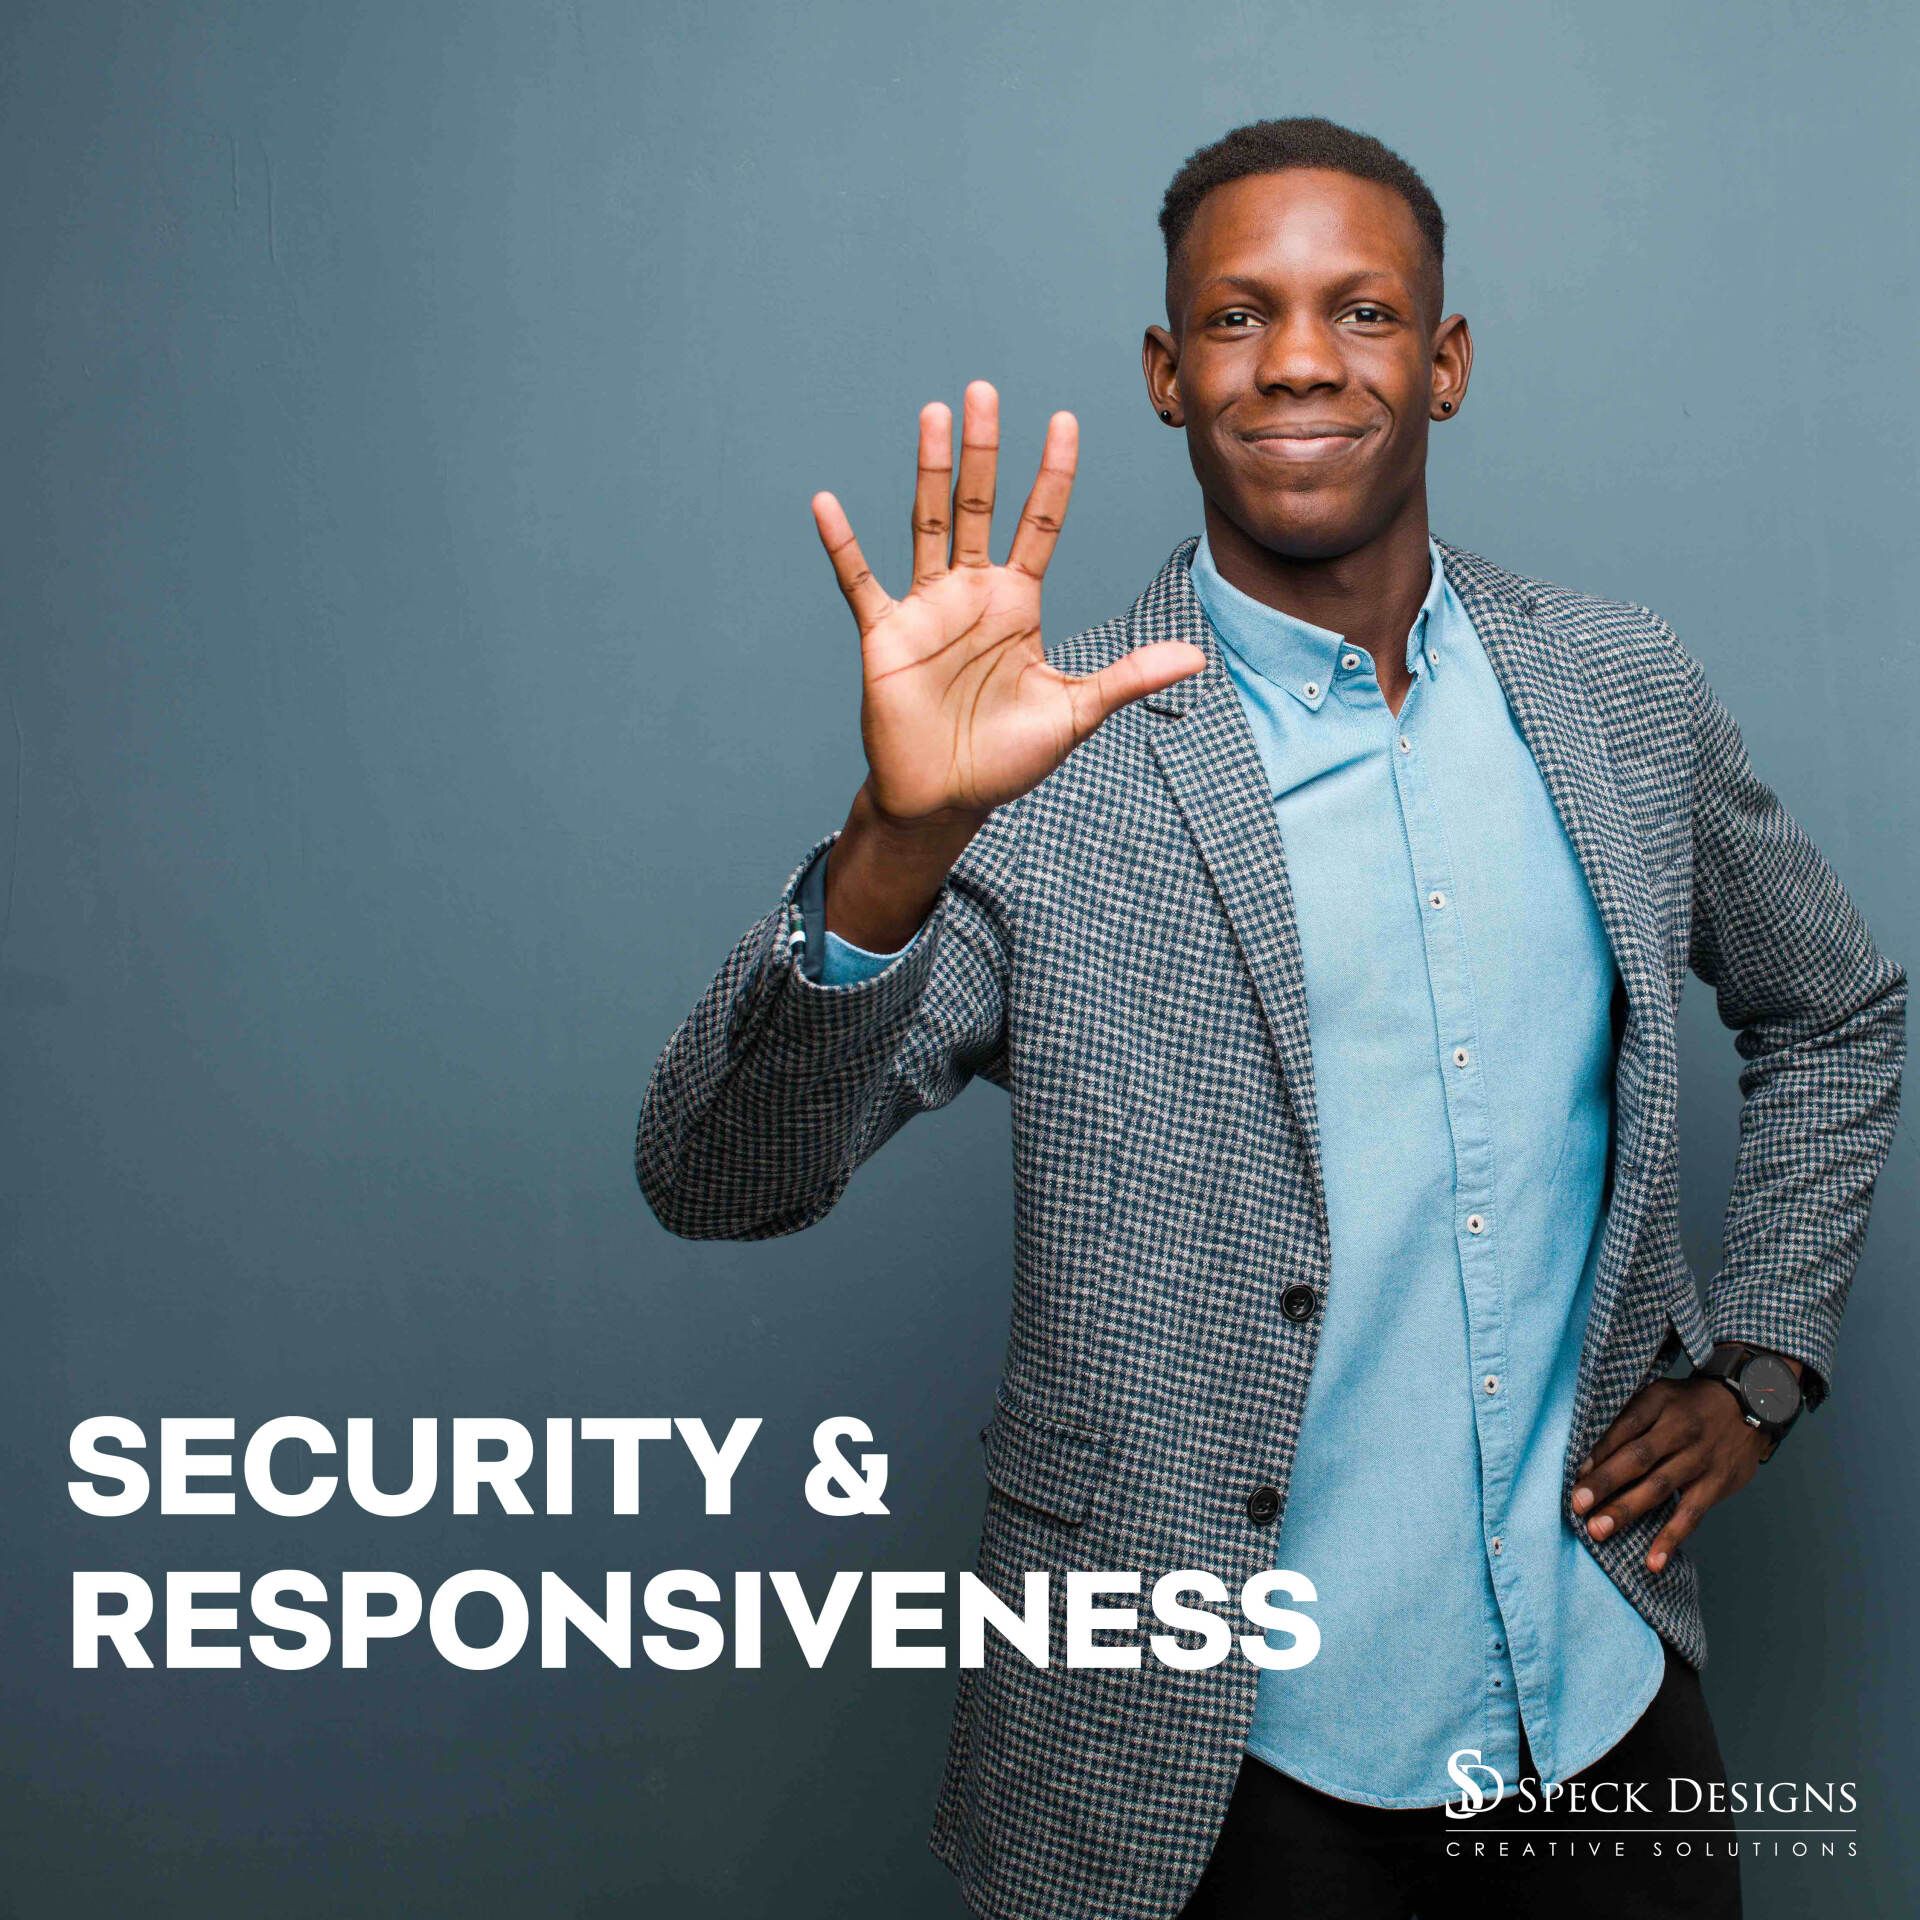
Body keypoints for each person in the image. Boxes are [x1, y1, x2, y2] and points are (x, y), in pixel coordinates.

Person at [635, 116, 1905, 1920]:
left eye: (1363, 312)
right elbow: (714, 1174)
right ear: (1168, 375)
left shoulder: (1622, 695)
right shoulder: (1051, 771)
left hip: (1596, 1709)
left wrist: (1760, 1369)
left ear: (1444, 362)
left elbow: (1838, 1008)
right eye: (1237, 318)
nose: (1301, 358)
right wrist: (896, 844)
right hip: (1208, 1781)